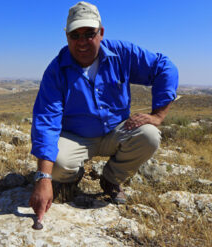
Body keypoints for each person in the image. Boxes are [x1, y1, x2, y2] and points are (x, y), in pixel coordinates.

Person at [29, 1, 178, 223]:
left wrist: (158, 115)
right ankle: (71, 176)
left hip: (116, 130)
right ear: (66, 36)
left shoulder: (123, 54)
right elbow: (46, 121)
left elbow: (164, 67)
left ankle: (110, 179)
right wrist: (43, 178)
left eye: (89, 34)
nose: (82, 42)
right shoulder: (56, 70)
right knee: (57, 165)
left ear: (101, 32)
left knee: (149, 136)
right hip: (76, 137)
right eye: (74, 35)